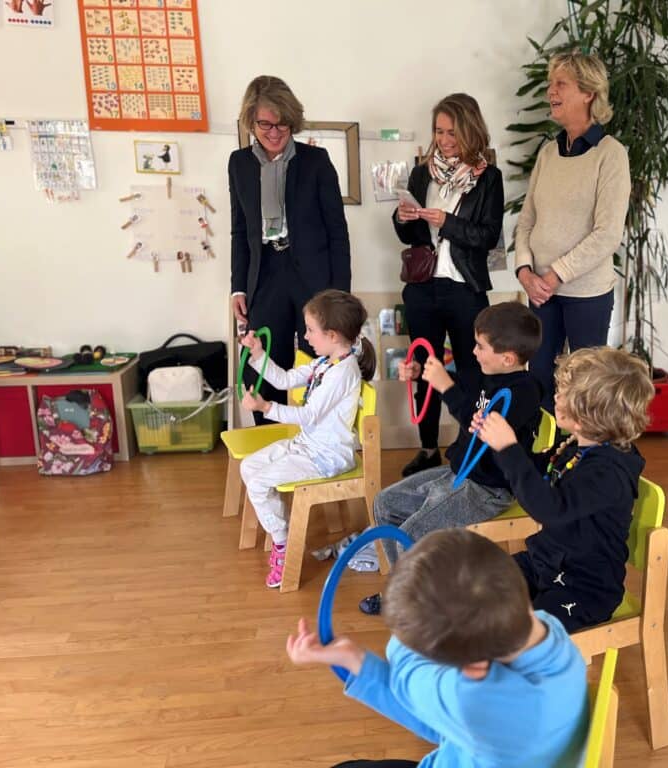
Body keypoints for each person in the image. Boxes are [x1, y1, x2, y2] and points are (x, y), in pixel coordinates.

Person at [285, 529, 589, 768]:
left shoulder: (475, 700)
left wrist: (402, 641)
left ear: (469, 666)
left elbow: (408, 681)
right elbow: (439, 719)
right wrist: (354, 658)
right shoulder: (547, 631)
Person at [360, 302, 542, 615]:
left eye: (480, 346)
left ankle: (415, 601)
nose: (473, 352)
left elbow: (482, 428)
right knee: (384, 504)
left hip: (489, 489)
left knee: (412, 533)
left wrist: (445, 387)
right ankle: (407, 588)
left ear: (508, 358)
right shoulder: (486, 372)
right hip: (458, 472)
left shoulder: (525, 391)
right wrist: (423, 374)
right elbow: (459, 385)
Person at [475, 347, 652, 632]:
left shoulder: (608, 474)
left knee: (517, 632)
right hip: (546, 564)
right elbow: (537, 469)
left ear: (586, 416)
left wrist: (508, 448)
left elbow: (550, 509)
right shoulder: (578, 445)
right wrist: (496, 443)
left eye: (563, 393)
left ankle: (519, 672)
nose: (555, 396)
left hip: (583, 588)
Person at [393, 93, 503, 478]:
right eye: (439, 132)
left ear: (470, 130)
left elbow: (489, 235)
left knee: (473, 371)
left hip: (464, 288)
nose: (444, 140)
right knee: (424, 366)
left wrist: (448, 223)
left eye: (452, 132)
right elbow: (408, 234)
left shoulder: (488, 177)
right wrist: (404, 216)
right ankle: (427, 449)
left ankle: (466, 444)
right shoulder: (423, 172)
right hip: (423, 286)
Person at [514, 52, 631, 410]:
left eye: (560, 84)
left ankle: (579, 460)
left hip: (586, 293)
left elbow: (608, 233)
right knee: (539, 380)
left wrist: (555, 275)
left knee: (584, 386)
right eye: (551, 84)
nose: (551, 91)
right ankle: (539, 459)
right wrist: (524, 271)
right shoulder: (548, 154)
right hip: (540, 292)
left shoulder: (610, 155)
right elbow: (526, 220)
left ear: (589, 93)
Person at [229, 75, 351, 422]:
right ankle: (272, 446)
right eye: (265, 124)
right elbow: (240, 230)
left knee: (324, 365)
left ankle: (322, 443)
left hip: (313, 277)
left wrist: (341, 295)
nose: (274, 132)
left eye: (282, 123)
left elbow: (337, 232)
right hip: (264, 275)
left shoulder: (316, 161)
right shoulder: (239, 164)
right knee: (264, 365)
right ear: (251, 122)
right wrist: (238, 286)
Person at [239, 290, 375, 589]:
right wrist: (259, 354)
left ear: (333, 334)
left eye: (311, 330)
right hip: (308, 445)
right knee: (248, 468)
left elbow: (309, 414)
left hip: (326, 456)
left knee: (259, 482)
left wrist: (265, 408)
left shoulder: (343, 372)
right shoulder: (326, 362)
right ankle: (284, 533)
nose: (306, 335)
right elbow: (286, 380)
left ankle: (283, 543)